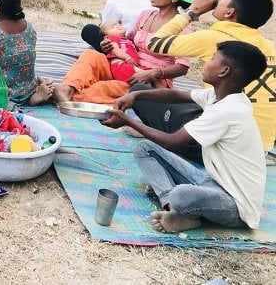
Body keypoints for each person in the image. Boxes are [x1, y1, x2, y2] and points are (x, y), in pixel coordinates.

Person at [102, 41, 267, 234]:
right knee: (145, 149)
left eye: (213, 59)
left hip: (235, 206)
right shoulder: (220, 96)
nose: (206, 63)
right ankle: (171, 207)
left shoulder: (228, 111)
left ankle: (178, 206)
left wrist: (128, 121)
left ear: (224, 71)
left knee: (181, 194)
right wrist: (137, 96)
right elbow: (177, 96)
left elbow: (172, 141)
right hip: (211, 182)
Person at [144, 0, 276, 152]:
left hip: (224, 147)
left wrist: (192, 12)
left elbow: (154, 43)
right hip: (262, 145)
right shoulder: (269, 46)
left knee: (140, 95)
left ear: (229, 12)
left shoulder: (213, 38)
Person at [54, 0, 193, 107]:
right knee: (91, 56)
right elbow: (129, 41)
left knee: (107, 88)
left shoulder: (183, 27)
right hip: (125, 66)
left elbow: (182, 68)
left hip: (147, 81)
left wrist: (152, 74)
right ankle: (66, 89)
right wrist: (110, 44)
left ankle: (57, 94)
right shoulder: (146, 15)